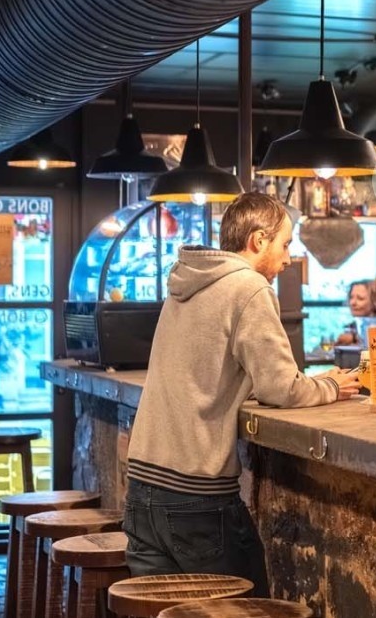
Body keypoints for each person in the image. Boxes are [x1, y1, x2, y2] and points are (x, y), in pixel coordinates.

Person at [123, 192, 360, 595]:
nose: (288, 258)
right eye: (285, 244)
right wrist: (332, 385)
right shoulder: (248, 287)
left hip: (142, 492)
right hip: (195, 499)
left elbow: (210, 373)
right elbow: (281, 387)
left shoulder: (185, 282)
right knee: (251, 603)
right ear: (258, 240)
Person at [337, 280, 375, 345]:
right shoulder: (351, 327)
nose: (353, 303)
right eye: (351, 297)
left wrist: (354, 338)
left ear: (375, 301)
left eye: (360, 298)